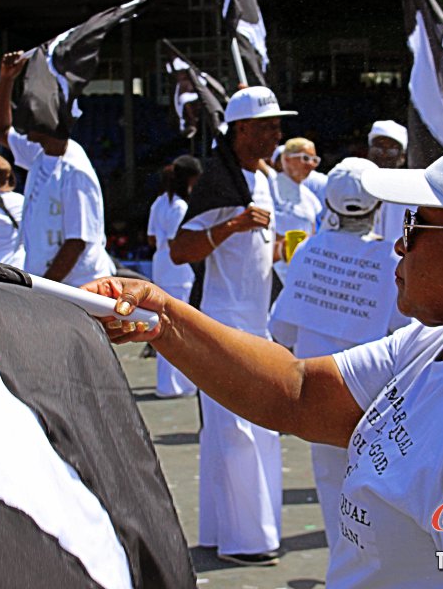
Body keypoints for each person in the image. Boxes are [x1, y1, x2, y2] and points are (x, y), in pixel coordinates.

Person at [87, 132, 443, 589]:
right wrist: (160, 315)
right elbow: (297, 391)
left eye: (416, 224)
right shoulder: (438, 344)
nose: (398, 242)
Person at [167, 85, 296, 567]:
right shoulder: (219, 182)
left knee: (248, 428)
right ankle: (248, 541)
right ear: (241, 130)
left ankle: (234, 533)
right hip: (223, 321)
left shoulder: (261, 177)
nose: (276, 133)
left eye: (277, 125)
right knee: (239, 429)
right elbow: (181, 250)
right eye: (268, 126)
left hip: (255, 321)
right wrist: (233, 225)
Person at [269, 157, 408, 550]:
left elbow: (281, 329)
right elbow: (405, 327)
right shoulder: (392, 259)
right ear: (378, 206)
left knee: (333, 493)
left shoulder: (309, 250)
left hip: (317, 394)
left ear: (328, 205)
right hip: (374, 395)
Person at [0, 51, 113, 286]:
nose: (24, 120)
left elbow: (76, 242)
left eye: (32, 113)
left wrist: (44, 289)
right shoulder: (40, 152)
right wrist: (7, 78)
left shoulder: (75, 171)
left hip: (79, 291)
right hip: (53, 289)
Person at [147, 155, 203, 398]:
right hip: (178, 270)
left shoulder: (159, 203)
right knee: (179, 326)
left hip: (161, 266)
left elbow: (152, 238)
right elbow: (177, 241)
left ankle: (167, 383)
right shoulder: (180, 207)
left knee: (163, 323)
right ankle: (177, 384)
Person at [272, 138, 323, 284]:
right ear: (286, 159)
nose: (311, 165)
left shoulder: (311, 199)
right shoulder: (270, 186)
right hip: (272, 268)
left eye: (315, 160)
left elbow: (313, 232)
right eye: (305, 158)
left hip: (298, 271)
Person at [368, 120, 412, 245]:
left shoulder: (409, 195)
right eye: (378, 148)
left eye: (391, 150)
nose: (383, 155)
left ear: (402, 157)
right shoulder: (354, 184)